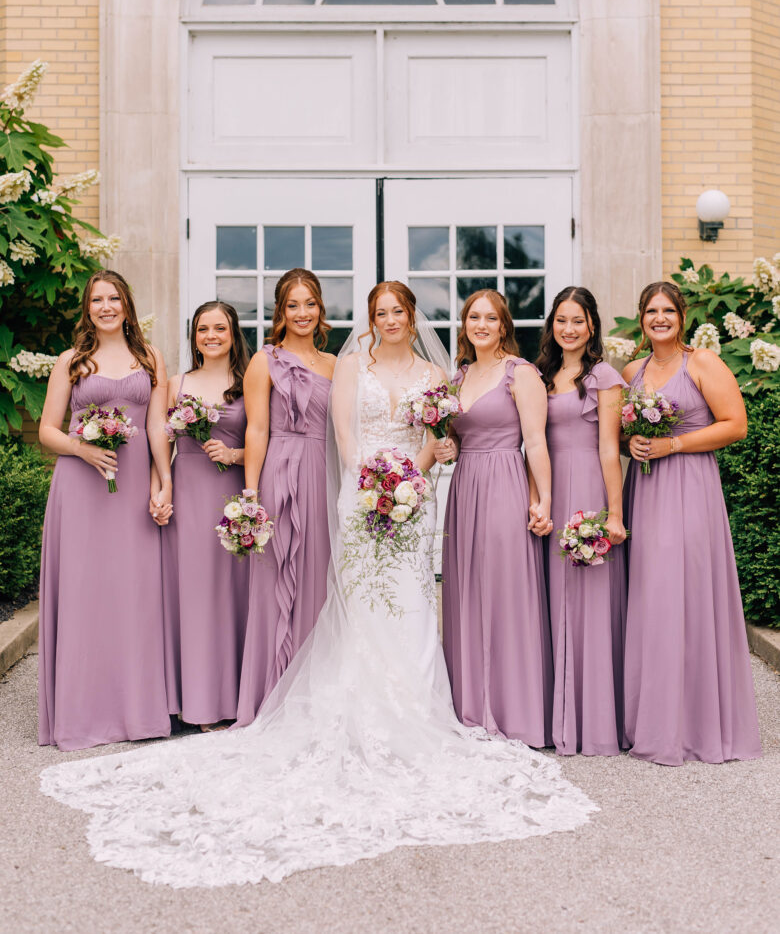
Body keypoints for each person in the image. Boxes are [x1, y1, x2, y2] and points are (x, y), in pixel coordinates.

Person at [40, 282, 594, 889]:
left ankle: (417, 705)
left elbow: (442, 439)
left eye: (398, 312)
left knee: (411, 604)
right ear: (367, 319)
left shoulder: (439, 373)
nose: (389, 320)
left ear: (412, 318)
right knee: (357, 605)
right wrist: (367, 488)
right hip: (363, 495)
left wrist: (419, 472)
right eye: (379, 312)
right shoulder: (350, 367)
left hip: (414, 497)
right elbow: (347, 441)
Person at [622, 281, 761, 764]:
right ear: (642, 318)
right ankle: (653, 719)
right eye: (651, 311)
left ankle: (696, 724)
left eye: (668, 311)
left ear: (681, 316)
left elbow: (736, 424)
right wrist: (633, 445)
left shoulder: (701, 363)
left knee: (685, 594)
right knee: (651, 596)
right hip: (646, 489)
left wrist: (673, 444)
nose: (659, 318)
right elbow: (623, 432)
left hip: (690, 488)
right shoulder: (632, 370)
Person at [38, 270, 171, 750]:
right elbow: (47, 430)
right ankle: (81, 714)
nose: (107, 306)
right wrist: (82, 449)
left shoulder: (149, 358)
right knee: (85, 592)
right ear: (87, 308)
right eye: (98, 299)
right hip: (80, 489)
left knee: (135, 594)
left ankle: (136, 711)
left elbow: (158, 426)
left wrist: (163, 483)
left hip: (132, 490)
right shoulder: (71, 361)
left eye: (114, 298)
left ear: (127, 304)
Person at [437, 289, 554, 747]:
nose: (480, 325)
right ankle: (472, 707)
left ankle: (514, 710)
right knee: (466, 591)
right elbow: (453, 440)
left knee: (505, 592)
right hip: (465, 487)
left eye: (490, 318)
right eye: (472, 317)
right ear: (464, 324)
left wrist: (543, 499)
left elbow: (536, 442)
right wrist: (448, 448)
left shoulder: (520, 374)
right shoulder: (459, 376)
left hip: (505, 481)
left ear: (504, 325)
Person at [235, 269, 335, 725]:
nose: (302, 313)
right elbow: (256, 429)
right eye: (293, 305)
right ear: (280, 311)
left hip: (323, 474)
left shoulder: (336, 365)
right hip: (280, 470)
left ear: (320, 309)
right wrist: (251, 495)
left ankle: (314, 695)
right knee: (275, 584)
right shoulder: (264, 361)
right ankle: (269, 695)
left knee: (319, 579)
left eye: (309, 303)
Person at [535, 286, 627, 755]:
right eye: (561, 320)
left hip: (588, 488)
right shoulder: (540, 374)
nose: (568, 329)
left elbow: (610, 447)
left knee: (592, 600)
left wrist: (614, 512)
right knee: (553, 599)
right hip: (551, 491)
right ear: (552, 325)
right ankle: (558, 717)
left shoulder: (604, 376)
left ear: (592, 325)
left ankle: (595, 722)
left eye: (578, 320)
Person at [161, 301, 250, 731]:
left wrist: (234, 454)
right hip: (188, 497)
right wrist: (162, 484)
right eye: (202, 329)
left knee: (229, 594)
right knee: (191, 595)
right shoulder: (177, 382)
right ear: (193, 336)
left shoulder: (251, 384)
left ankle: (231, 698)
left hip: (230, 498)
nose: (211, 336)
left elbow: (272, 443)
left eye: (220, 328)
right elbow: (159, 439)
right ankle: (192, 701)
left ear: (234, 333)